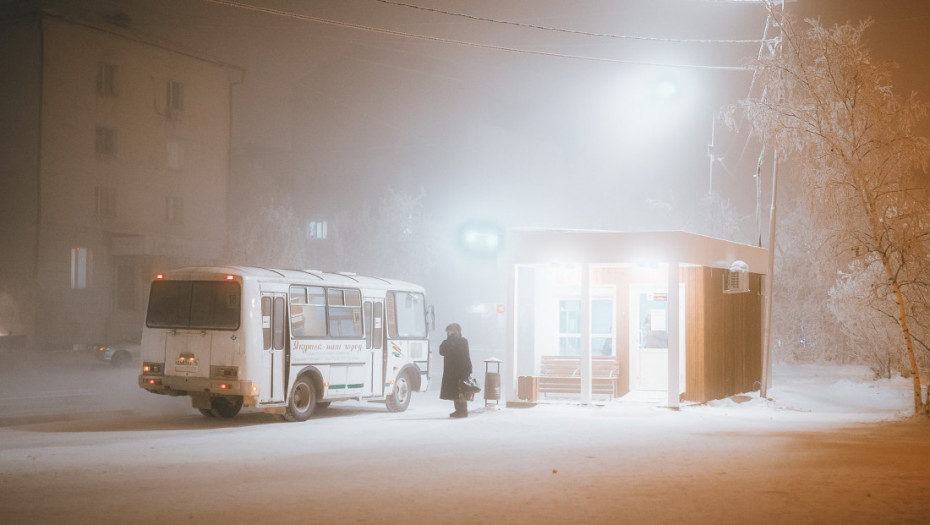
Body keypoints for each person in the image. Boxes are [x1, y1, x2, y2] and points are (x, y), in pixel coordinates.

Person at [439, 322, 472, 418]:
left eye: (452, 331)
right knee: (454, 392)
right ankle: (458, 410)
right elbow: (442, 351)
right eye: (448, 331)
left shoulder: (462, 341)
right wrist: (449, 340)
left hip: (461, 370)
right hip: (450, 371)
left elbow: (463, 354)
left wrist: (468, 370)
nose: (449, 333)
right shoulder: (447, 342)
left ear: (457, 331)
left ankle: (463, 411)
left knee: (461, 391)